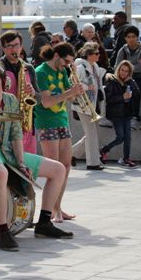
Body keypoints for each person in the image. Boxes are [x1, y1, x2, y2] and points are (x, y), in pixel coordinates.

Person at [0, 64, 73, 251]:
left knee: (59, 169)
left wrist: (21, 163)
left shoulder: (11, 100)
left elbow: (16, 135)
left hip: (8, 153)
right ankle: (3, 231)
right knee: (0, 172)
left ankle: (44, 223)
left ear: (4, 83)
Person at [34, 43, 83, 223]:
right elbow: (46, 102)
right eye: (66, 61)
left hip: (62, 120)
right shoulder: (41, 72)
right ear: (56, 55)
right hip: (46, 122)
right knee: (54, 167)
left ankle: (58, 206)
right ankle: (52, 209)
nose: (67, 65)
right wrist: (70, 92)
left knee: (66, 166)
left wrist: (76, 90)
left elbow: (68, 97)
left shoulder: (63, 71)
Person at [0, 30, 39, 154]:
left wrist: (33, 92)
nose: (14, 49)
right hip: (4, 124)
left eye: (16, 45)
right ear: (3, 48)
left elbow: (39, 99)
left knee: (28, 166)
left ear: (21, 47)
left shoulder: (28, 68)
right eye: (9, 46)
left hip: (26, 124)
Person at [70, 43, 106, 170]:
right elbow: (72, 82)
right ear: (89, 55)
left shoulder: (95, 66)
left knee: (93, 133)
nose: (98, 55)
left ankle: (71, 154)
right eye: (96, 53)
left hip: (94, 104)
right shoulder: (80, 67)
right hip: (83, 105)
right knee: (91, 134)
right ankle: (92, 163)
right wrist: (87, 87)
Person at [100, 61, 141, 168]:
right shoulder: (112, 81)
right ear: (118, 69)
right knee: (120, 137)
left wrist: (131, 82)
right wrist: (122, 97)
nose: (123, 73)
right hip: (115, 114)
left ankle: (126, 159)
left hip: (127, 113)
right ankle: (104, 150)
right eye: (122, 70)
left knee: (128, 138)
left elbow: (137, 94)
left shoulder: (130, 82)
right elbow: (109, 98)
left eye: (126, 71)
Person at [115, 26, 141, 122]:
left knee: (135, 90)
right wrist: (133, 67)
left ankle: (135, 115)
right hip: (123, 78)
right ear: (125, 38)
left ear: (137, 37)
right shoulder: (122, 50)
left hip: (140, 78)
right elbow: (117, 66)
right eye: (128, 37)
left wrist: (126, 68)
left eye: (133, 36)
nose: (131, 39)